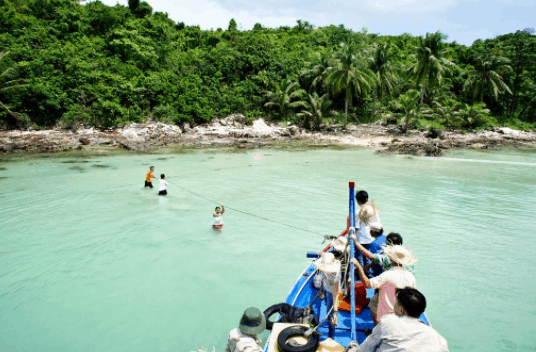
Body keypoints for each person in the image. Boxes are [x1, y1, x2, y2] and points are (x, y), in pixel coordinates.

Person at [349, 288, 449, 352]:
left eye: (395, 303)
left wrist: (353, 349)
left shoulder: (388, 322)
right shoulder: (439, 339)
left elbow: (365, 350)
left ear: (402, 310)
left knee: (352, 347)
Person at [351, 245, 417, 325]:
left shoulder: (387, 275)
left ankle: (376, 327)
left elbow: (367, 284)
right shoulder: (411, 277)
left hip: (387, 315)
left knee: (373, 304)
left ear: (391, 259)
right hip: (402, 312)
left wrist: (359, 267)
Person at [313, 252, 341, 338]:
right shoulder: (328, 262)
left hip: (331, 292)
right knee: (326, 302)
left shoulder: (335, 276)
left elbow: (335, 295)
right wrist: (321, 254)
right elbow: (323, 254)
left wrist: (335, 312)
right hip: (326, 288)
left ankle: (331, 336)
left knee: (331, 314)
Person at [354, 190, 381, 270]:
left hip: (360, 239)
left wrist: (351, 237)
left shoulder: (358, 212)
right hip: (371, 237)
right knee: (368, 257)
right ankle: (369, 274)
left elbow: (356, 227)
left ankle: (360, 273)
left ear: (359, 201)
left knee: (359, 258)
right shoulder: (374, 210)